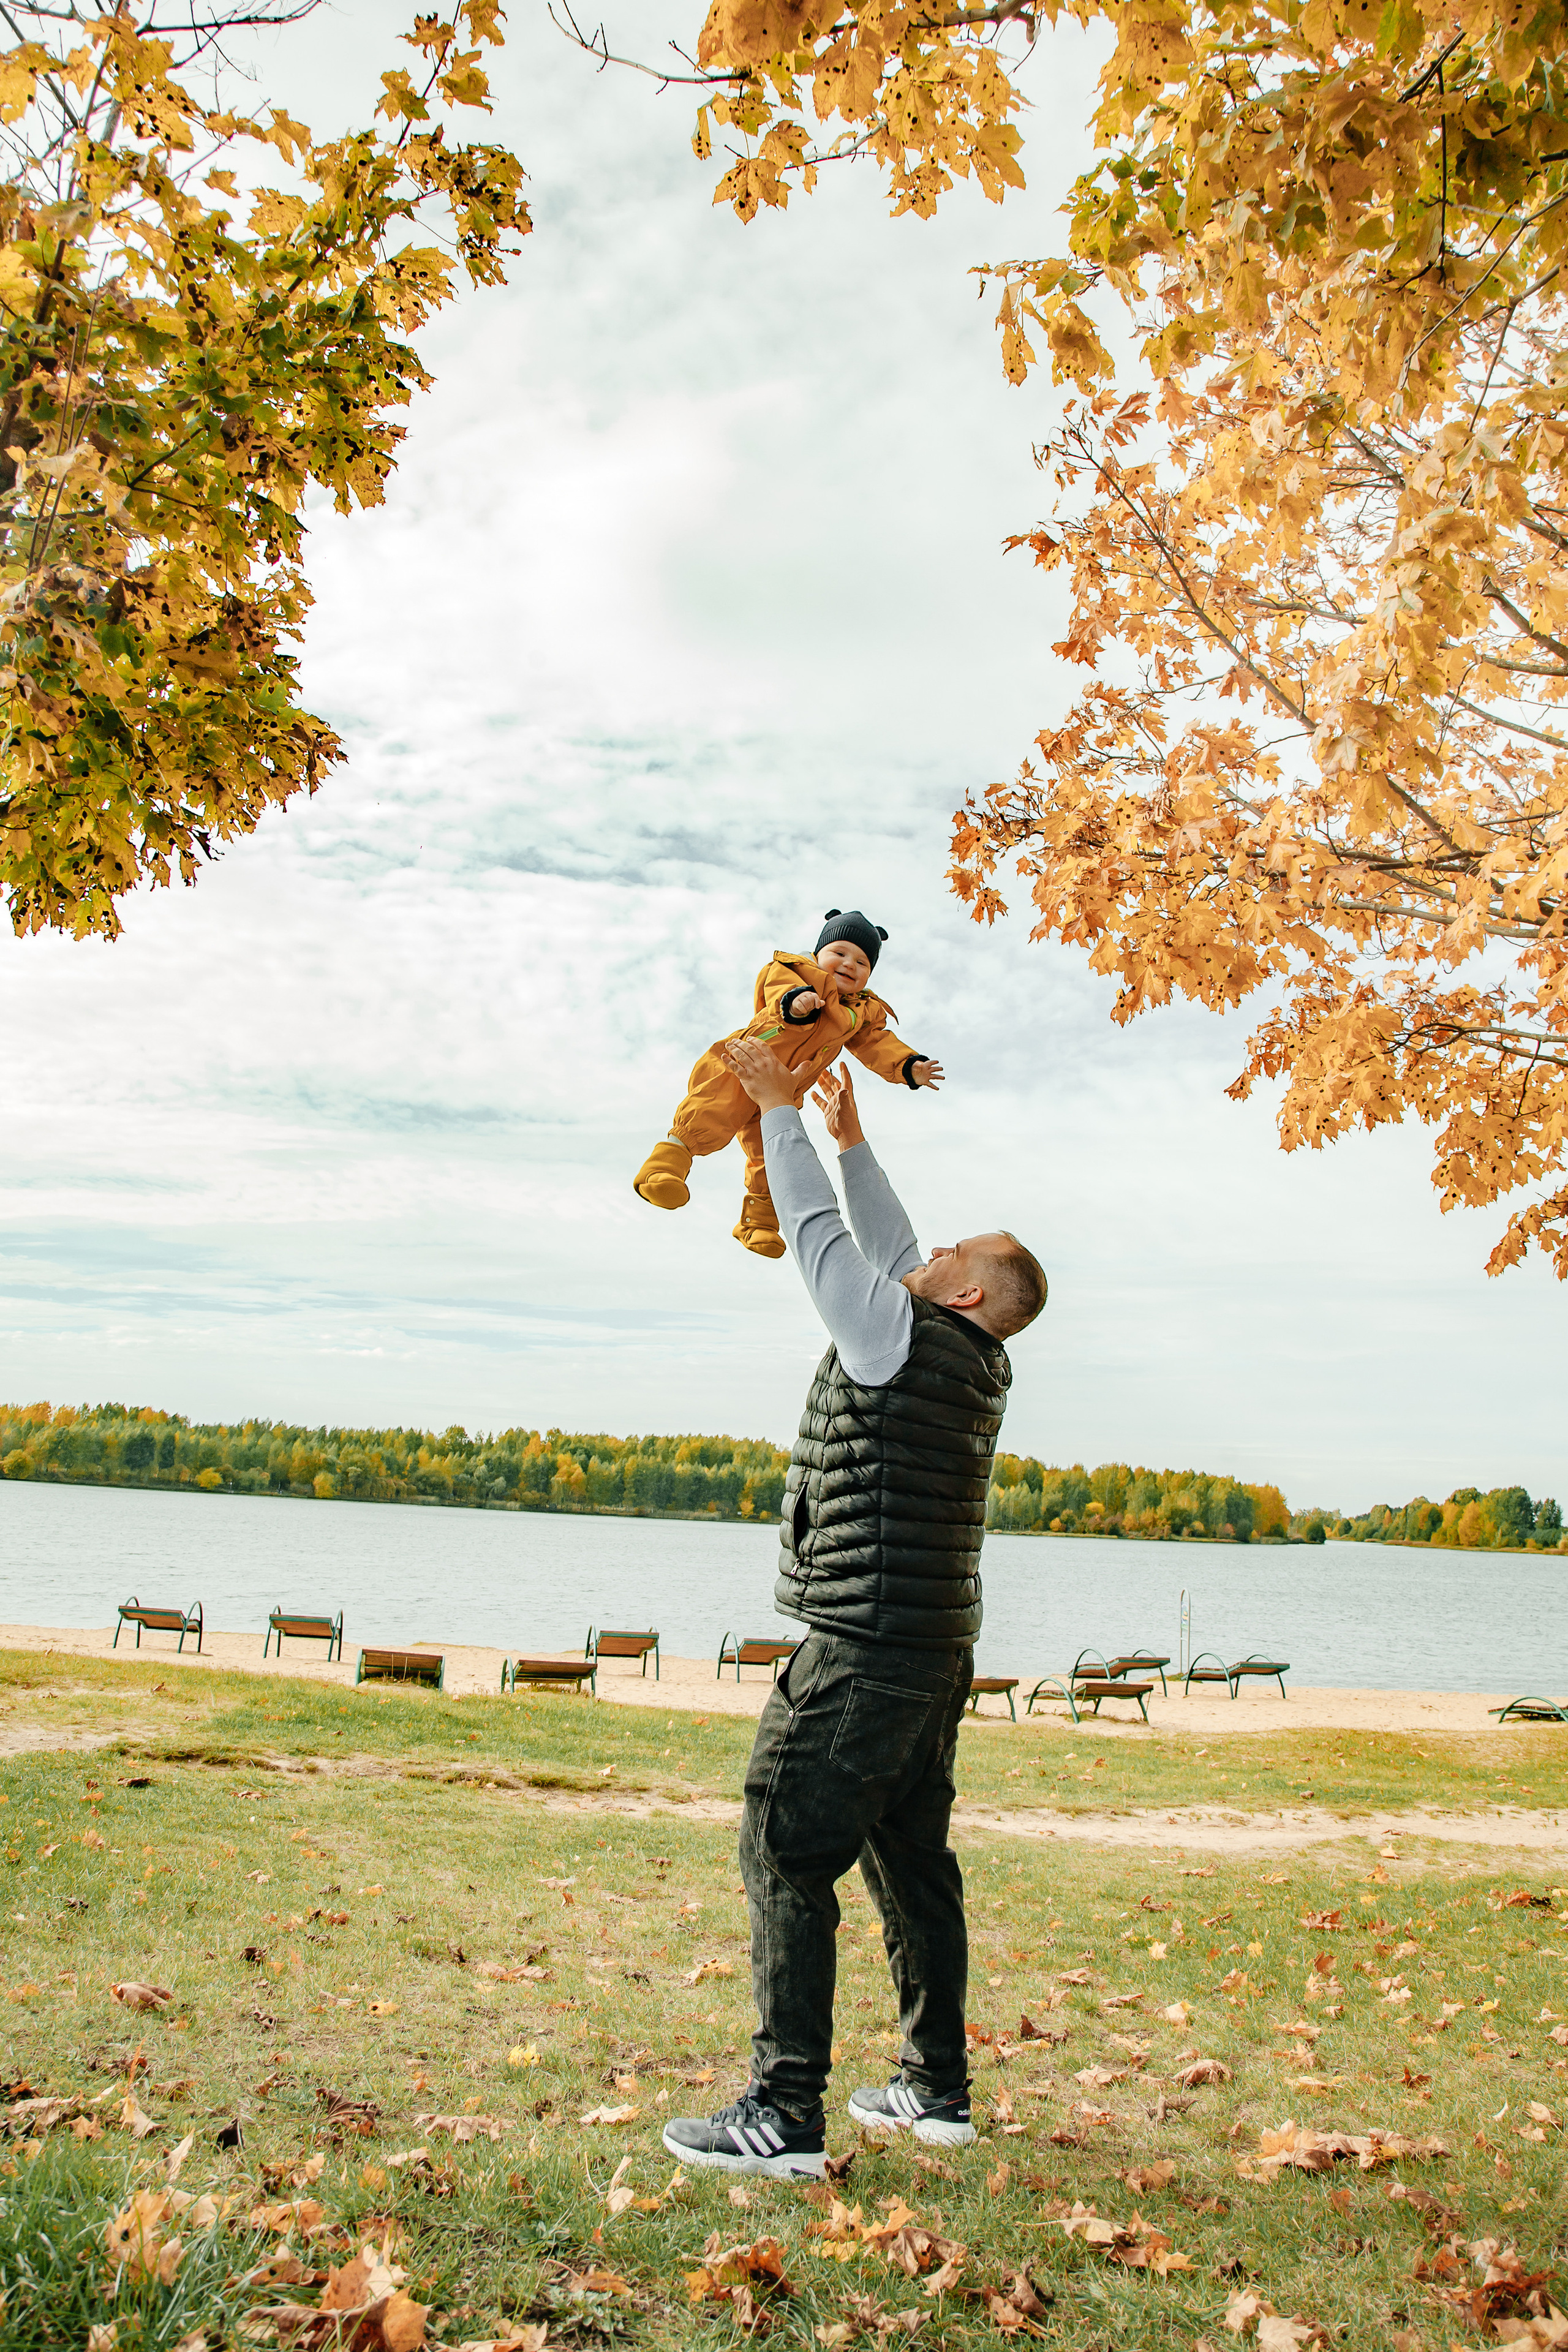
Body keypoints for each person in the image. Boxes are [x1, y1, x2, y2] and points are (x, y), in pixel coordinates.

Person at [662, 1046, 1047, 2177]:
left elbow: (827, 1245)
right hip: (932, 1656)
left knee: (783, 1849)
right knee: (912, 1861)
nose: (923, 1255)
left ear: (965, 1291)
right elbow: (889, 1250)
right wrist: (853, 1139)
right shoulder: (967, 1353)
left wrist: (780, 1115)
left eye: (947, 1256)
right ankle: (937, 2091)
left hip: (865, 1651)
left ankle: (782, 2115)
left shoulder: (892, 1334)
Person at [631, 908, 944, 1259]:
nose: (850, 964)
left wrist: (908, 1066)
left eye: (862, 962)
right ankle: (662, 1169)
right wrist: (795, 1002)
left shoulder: (861, 1010)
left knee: (771, 1152)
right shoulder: (795, 970)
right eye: (840, 953)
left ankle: (759, 1223)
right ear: (818, 953)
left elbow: (876, 1043)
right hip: (746, 1064)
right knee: (712, 1112)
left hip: (783, 1092)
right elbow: (777, 989)